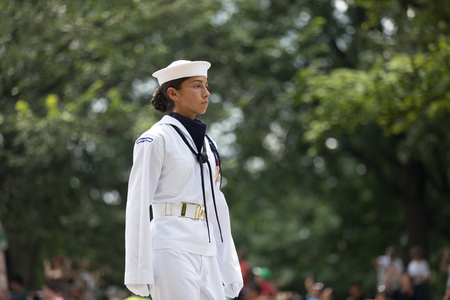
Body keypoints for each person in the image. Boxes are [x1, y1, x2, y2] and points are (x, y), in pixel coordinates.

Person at [124, 60, 243, 300]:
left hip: (205, 244)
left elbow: (217, 205)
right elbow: (137, 204)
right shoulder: (155, 139)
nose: (206, 93)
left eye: (206, 86)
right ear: (173, 93)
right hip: (170, 244)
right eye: (197, 86)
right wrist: (138, 270)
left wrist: (229, 265)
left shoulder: (210, 144)